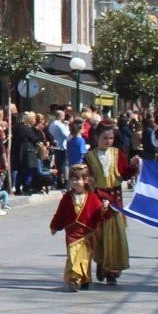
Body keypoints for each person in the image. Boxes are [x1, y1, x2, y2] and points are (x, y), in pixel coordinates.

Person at [85, 121, 133, 286]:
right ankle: (101, 263)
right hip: (98, 199)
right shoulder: (89, 156)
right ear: (97, 137)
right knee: (98, 235)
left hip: (115, 200)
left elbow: (125, 174)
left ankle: (112, 272)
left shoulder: (118, 154)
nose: (108, 141)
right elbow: (86, 178)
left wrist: (133, 167)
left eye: (111, 138)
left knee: (116, 235)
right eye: (105, 138)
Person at [50, 163, 108, 291]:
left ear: (86, 180)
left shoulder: (92, 197)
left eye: (78, 179)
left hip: (87, 231)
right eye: (72, 179)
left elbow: (98, 214)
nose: (75, 182)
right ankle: (74, 278)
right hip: (71, 231)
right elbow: (60, 213)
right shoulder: (66, 198)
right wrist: (54, 226)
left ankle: (84, 279)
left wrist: (104, 209)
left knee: (84, 256)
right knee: (73, 254)